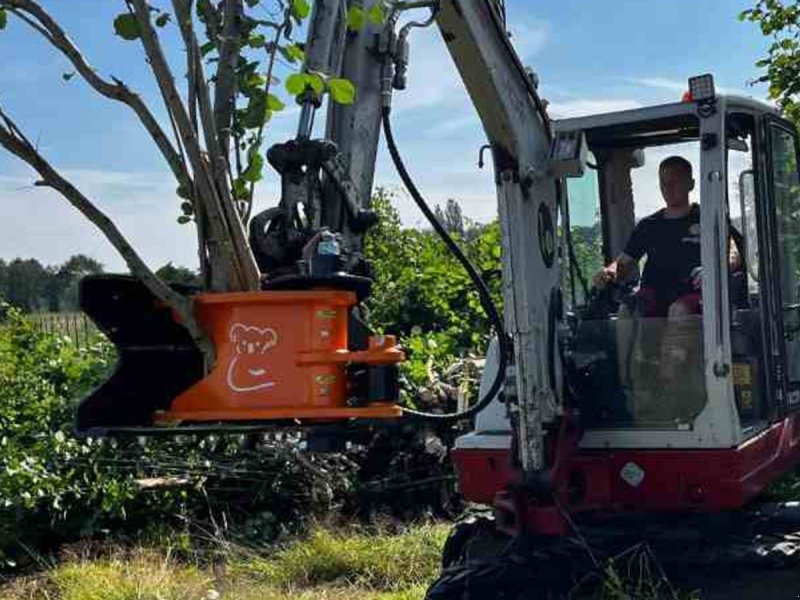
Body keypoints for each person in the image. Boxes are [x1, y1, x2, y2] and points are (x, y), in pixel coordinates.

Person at [594, 155, 740, 318]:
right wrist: (609, 272)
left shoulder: (709, 219)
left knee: (679, 310)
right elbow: (624, 263)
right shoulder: (648, 225)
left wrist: (713, 270)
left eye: (674, 182)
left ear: (690, 184)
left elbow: (733, 255)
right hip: (654, 296)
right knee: (625, 311)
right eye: (663, 183)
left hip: (696, 294)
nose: (668, 188)